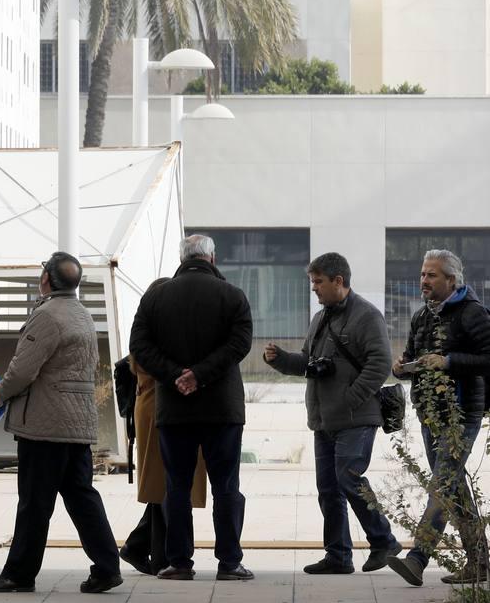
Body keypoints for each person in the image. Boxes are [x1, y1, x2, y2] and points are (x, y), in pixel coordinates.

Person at [0, 252, 123, 594]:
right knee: (82, 496)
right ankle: (106, 567)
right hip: (78, 423)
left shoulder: (47, 316)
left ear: (46, 279)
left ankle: (19, 574)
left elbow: (23, 370)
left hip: (46, 424)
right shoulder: (83, 315)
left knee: (34, 502)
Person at [263, 253, 399, 575]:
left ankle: (383, 541)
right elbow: (309, 364)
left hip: (356, 418)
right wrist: (280, 360)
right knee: (328, 490)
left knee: (348, 477)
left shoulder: (367, 316)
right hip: (323, 420)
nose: (314, 289)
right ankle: (338, 555)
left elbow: (380, 364)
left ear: (339, 281)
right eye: (313, 282)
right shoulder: (321, 318)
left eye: (318, 282)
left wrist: (351, 398)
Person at [130, 234, 255, 581]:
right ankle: (229, 562)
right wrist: (200, 375)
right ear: (212, 258)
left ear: (182, 258)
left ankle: (179, 562)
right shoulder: (232, 296)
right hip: (222, 409)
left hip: (174, 408)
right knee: (225, 486)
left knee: (177, 486)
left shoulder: (155, 297)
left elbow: (139, 344)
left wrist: (176, 376)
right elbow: (240, 344)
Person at [386, 249, 490, 587]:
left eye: (431, 275)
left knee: (442, 484)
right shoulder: (422, 316)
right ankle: (479, 564)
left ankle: (417, 558)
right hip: (430, 414)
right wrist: (402, 367)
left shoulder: (472, 313)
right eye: (422, 274)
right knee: (454, 487)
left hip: (462, 414)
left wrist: (447, 362)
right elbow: (414, 356)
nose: (423, 281)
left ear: (451, 280)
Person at [118, 353, 208, 576]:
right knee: (167, 484)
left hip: (159, 402)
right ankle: (161, 555)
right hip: (161, 405)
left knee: (168, 483)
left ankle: (144, 547)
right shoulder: (158, 326)